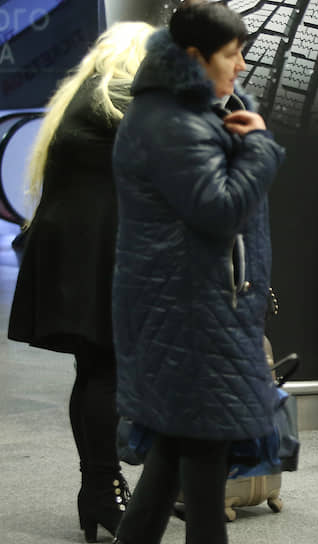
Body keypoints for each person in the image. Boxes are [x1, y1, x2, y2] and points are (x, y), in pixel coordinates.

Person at [108, 3, 284, 543]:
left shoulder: (183, 111)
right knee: (203, 474)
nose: (242, 66)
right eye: (232, 56)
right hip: (190, 317)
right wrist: (260, 148)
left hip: (191, 308)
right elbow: (219, 209)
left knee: (172, 459)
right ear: (194, 58)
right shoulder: (172, 123)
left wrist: (242, 120)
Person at [7, 21, 155, 543]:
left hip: (74, 258)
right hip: (95, 259)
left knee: (94, 370)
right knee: (107, 372)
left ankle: (99, 488)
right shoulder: (120, 96)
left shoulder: (83, 97)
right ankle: (103, 490)